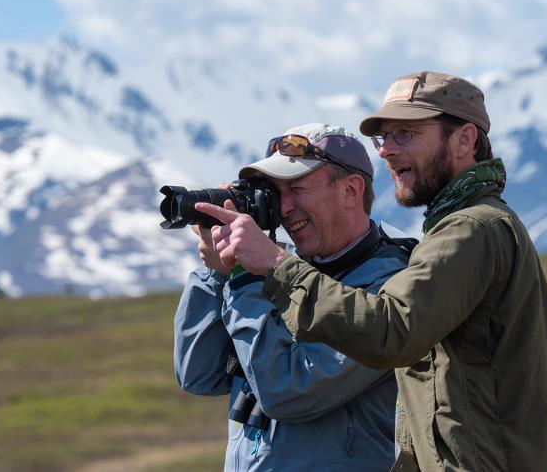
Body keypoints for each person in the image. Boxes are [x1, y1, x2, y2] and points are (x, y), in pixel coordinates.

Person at [198, 72, 547, 471]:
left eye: (406, 134)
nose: (386, 152)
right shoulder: (471, 226)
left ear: (464, 139)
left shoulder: (472, 228)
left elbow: (391, 331)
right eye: (384, 139)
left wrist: (275, 267)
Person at [174, 123, 414, 471]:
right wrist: (218, 271)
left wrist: (245, 276)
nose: (284, 208)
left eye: (297, 188)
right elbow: (197, 373)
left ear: (350, 190)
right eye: (274, 192)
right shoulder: (277, 268)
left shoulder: (389, 285)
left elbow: (287, 391)